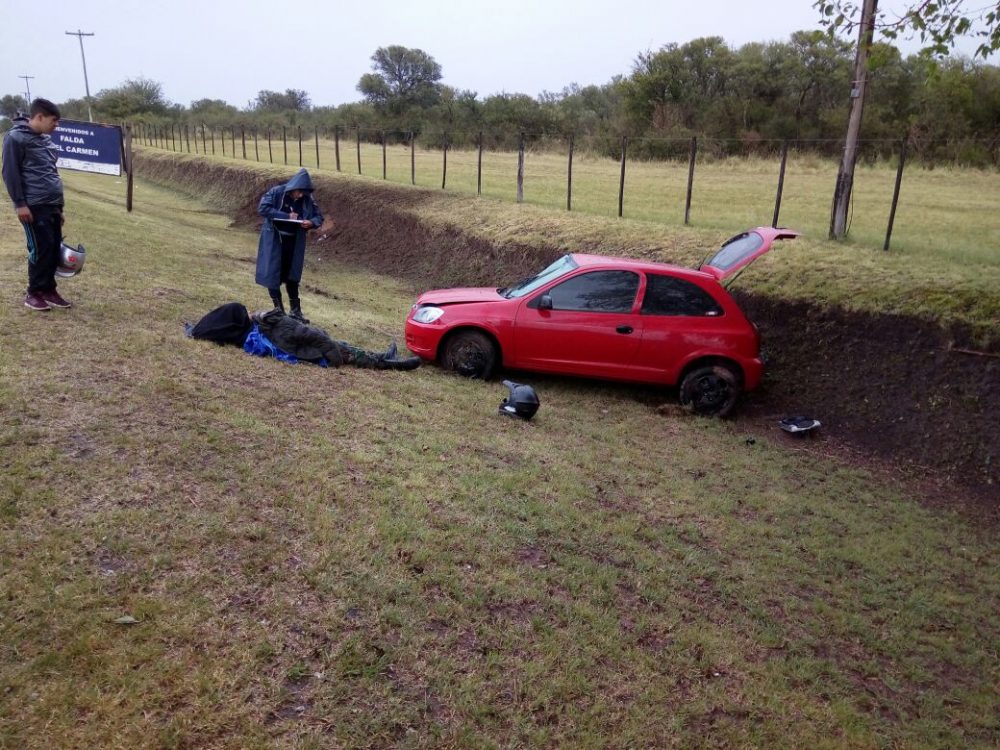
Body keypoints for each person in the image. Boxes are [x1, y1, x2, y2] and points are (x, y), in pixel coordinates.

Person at [2, 98, 70, 311]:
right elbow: (10, 173)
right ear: (39, 117)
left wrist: (60, 207)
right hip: (33, 205)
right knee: (40, 249)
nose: (56, 125)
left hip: (52, 204)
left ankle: (49, 289)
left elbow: (52, 172)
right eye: (54, 120)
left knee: (53, 248)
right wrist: (20, 204)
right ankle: (34, 292)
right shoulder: (15, 138)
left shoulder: (46, 140)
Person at [254, 168, 323, 324]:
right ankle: (279, 310)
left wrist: (311, 222)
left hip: (294, 242)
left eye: (303, 193)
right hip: (274, 241)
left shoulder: (307, 199)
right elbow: (263, 208)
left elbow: (319, 216)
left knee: (292, 276)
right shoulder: (276, 192)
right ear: (293, 187)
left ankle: (296, 312)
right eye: (298, 192)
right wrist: (285, 216)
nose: (300, 195)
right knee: (273, 275)